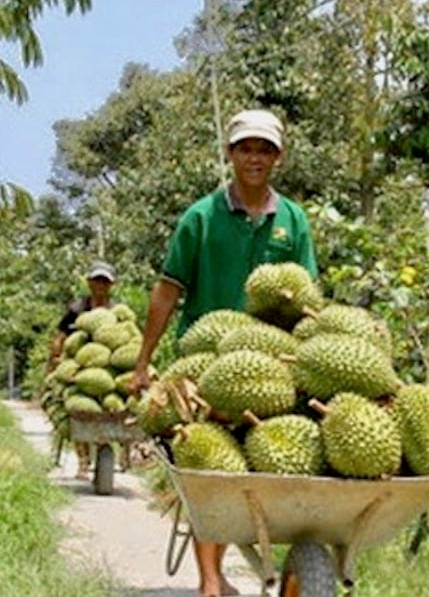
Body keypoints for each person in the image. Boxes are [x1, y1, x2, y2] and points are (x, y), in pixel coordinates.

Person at [130, 108, 318, 597]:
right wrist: (144, 360)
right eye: (245, 148)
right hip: (204, 359)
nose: (254, 157)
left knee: (267, 463)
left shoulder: (292, 219)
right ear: (231, 154)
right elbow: (168, 291)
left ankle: (291, 566)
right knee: (208, 468)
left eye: (264, 149)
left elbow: (307, 295)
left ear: (278, 156)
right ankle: (211, 581)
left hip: (272, 360)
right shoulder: (200, 217)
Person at [50, 260, 118, 479]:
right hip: (77, 367)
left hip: (109, 368)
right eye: (96, 280)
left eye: (104, 281)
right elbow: (60, 337)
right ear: (89, 282)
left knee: (108, 410)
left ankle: (103, 448)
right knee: (77, 410)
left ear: (111, 285)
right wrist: (55, 361)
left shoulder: (116, 311)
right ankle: (83, 460)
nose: (100, 285)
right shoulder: (76, 309)